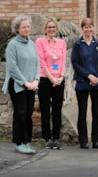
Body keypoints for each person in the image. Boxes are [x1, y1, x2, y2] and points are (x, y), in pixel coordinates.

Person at [2, 15, 40, 154]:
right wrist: (25, 83)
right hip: (18, 85)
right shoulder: (12, 45)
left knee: (28, 114)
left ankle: (26, 142)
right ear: (17, 29)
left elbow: (37, 63)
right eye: (24, 27)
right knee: (20, 114)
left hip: (31, 85)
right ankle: (19, 143)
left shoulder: (32, 44)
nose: (27, 29)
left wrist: (36, 80)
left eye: (28, 26)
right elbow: (12, 68)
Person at [71, 18, 98, 149]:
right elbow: (75, 63)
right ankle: (83, 140)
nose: (88, 29)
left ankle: (96, 140)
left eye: (90, 27)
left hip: (97, 83)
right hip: (82, 82)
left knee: (96, 113)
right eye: (85, 27)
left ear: (93, 28)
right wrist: (89, 76)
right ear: (82, 29)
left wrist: (97, 77)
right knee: (82, 112)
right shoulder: (77, 45)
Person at [36, 18, 67, 150]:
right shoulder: (40, 42)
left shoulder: (61, 43)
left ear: (57, 29)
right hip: (45, 79)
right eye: (49, 27)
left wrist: (61, 77)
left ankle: (56, 138)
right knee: (45, 110)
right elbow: (41, 61)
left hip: (58, 80)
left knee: (57, 110)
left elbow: (64, 61)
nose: (51, 29)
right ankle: (47, 138)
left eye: (53, 27)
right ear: (45, 29)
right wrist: (51, 78)